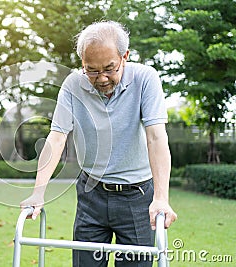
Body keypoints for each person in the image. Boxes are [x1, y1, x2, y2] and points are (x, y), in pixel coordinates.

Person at [20, 20, 177, 266]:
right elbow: (57, 137)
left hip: (137, 197)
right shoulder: (73, 84)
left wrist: (161, 198)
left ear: (125, 56)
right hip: (91, 194)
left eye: (109, 68)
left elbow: (156, 137)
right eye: (91, 69)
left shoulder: (146, 79)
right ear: (82, 62)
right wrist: (38, 193)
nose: (101, 78)